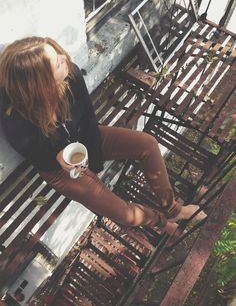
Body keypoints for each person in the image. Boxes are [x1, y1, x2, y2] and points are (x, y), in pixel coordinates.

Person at [0, 36, 205, 235]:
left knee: (147, 144)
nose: (64, 58)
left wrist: (95, 164)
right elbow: (36, 156)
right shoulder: (14, 118)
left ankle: (173, 210)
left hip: (85, 139)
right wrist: (57, 157)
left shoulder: (71, 75)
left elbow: (89, 119)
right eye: (57, 63)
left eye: (58, 52)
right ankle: (160, 223)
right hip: (56, 168)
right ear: (40, 83)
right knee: (123, 213)